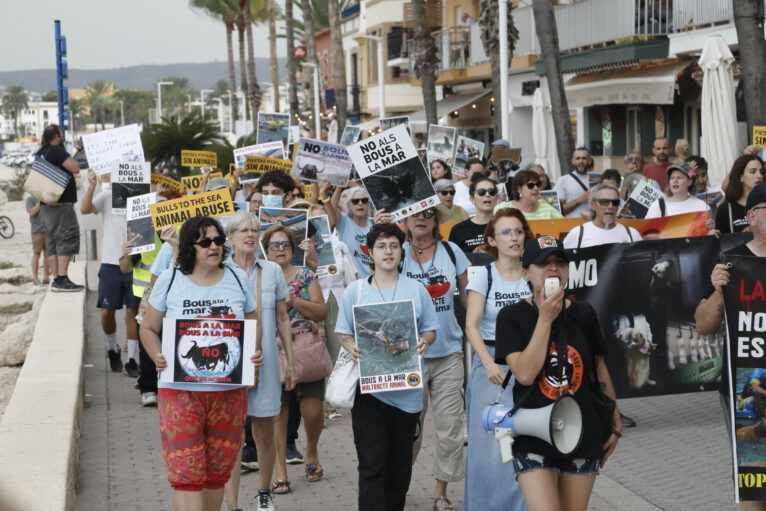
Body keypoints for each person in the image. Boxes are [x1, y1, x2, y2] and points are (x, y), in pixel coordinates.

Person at [140, 216, 263, 511]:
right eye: (205, 242)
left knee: (216, 474)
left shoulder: (237, 279)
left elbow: (252, 323)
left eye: (219, 241)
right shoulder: (170, 280)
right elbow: (147, 328)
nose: (214, 247)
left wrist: (254, 353)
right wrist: (157, 354)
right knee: (186, 474)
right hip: (180, 393)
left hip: (229, 395)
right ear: (188, 246)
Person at [495, 236, 621, 511]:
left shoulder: (584, 313)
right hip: (532, 434)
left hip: (581, 433)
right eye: (543, 263)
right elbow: (525, 374)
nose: (553, 269)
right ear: (526, 272)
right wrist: (544, 318)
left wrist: (615, 421)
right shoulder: (511, 317)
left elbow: (597, 369)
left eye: (560, 263)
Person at [335, 222, 438, 511]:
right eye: (381, 246)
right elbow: (343, 332)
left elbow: (430, 329)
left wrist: (425, 342)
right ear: (370, 252)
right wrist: (349, 345)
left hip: (406, 395)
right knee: (371, 464)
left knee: (399, 468)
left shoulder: (417, 290)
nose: (388, 251)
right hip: (369, 393)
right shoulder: (354, 291)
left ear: (401, 251)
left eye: (394, 245)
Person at [695, 183, 766, 511]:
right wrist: (720, 292)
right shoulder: (731, 263)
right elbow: (703, 325)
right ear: (751, 217)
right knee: (754, 478)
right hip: (744, 373)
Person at [225, 212, 296, 511]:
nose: (250, 234)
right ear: (230, 238)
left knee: (265, 430)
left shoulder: (272, 271)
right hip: (228, 365)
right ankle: (231, 504)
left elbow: (282, 317)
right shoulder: (220, 270)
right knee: (230, 437)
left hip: (264, 363)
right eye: (243, 230)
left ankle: (264, 492)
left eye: (254, 229)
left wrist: (290, 362)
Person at [464, 208, 533, 511]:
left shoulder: (534, 274)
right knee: (488, 450)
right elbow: (471, 326)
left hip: (529, 364)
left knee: (525, 442)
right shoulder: (483, 275)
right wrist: (489, 364)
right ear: (491, 239)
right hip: (491, 366)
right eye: (506, 232)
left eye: (518, 231)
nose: (514, 238)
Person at [403, 206, 470, 511]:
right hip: (406, 357)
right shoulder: (395, 251)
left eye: (428, 213)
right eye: (415, 214)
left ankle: (440, 491)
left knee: (450, 431)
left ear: (436, 220)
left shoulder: (452, 251)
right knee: (407, 432)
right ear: (404, 219)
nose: (421, 218)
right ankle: (398, 484)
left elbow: (470, 300)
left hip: (449, 355)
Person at [262, 223, 328, 495]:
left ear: (292, 249)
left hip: (305, 349)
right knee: (278, 413)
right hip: (272, 350)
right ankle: (280, 471)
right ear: (265, 250)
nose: (280, 250)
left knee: (312, 411)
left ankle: (311, 450)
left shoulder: (305, 276)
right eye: (274, 245)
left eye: (285, 245)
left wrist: (293, 301)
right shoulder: (259, 277)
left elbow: (321, 312)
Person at [81, 169, 139, 376]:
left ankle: (132, 359)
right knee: (107, 312)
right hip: (110, 263)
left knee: (133, 311)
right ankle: (113, 347)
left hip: (135, 264)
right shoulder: (107, 196)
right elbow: (85, 209)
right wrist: (92, 185)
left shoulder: (143, 198)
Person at [35, 124, 84, 291]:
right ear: (56, 137)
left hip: (45, 205)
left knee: (52, 242)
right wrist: (73, 159)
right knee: (67, 237)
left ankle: (56, 279)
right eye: (61, 134)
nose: (62, 137)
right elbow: (75, 168)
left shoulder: (42, 152)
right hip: (60, 205)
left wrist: (72, 155)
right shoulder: (56, 150)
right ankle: (63, 278)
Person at [563, 184, 640, 249]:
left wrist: (628, 253)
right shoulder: (577, 234)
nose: (610, 206)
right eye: (604, 202)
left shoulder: (632, 234)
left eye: (615, 202)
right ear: (593, 205)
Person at [449, 173, 499, 252]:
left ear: (497, 198)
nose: (487, 194)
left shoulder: (507, 226)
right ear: (472, 199)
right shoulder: (458, 230)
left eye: (491, 192)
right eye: (481, 192)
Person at [715, 155, 764, 234]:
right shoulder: (726, 209)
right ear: (741, 177)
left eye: (761, 172)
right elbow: (722, 243)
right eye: (753, 171)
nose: (759, 176)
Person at [331, 186, 373, 278]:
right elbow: (332, 209)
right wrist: (338, 187)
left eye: (364, 200)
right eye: (355, 201)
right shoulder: (343, 221)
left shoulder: (374, 223)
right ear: (349, 204)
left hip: (374, 281)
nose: (360, 203)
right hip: (353, 282)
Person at [645, 162, 709, 219]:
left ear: (690, 181)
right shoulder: (658, 205)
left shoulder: (701, 206)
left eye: (679, 177)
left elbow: (707, 230)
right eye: (672, 178)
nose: (675, 181)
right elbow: (647, 230)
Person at [496, 169, 563, 220]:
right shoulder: (503, 208)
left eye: (538, 184)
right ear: (519, 189)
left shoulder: (546, 207)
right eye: (530, 185)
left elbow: (565, 225)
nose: (536, 188)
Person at [554, 147, 592, 218]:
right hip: (570, 225)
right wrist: (579, 200)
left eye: (584, 158)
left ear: (589, 161)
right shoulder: (563, 180)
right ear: (573, 161)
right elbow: (558, 210)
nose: (581, 161)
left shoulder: (596, 180)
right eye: (578, 158)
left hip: (592, 225)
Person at [26, 194, 50, 286]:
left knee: (47, 254)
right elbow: (32, 212)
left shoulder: (46, 197)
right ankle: (35, 278)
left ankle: (46, 277)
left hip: (48, 229)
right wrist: (40, 202)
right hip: (37, 231)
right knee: (36, 254)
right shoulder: (30, 199)